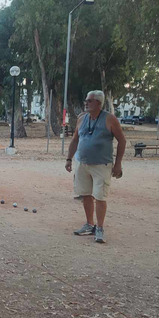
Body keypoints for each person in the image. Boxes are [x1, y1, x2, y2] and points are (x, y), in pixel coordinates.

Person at [65, 90, 126, 244]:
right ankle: (89, 224)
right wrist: (69, 159)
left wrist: (118, 164)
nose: (86, 102)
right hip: (82, 163)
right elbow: (74, 140)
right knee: (85, 194)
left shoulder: (110, 119)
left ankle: (99, 227)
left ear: (98, 103)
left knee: (100, 196)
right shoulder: (81, 118)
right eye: (86, 100)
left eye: (89, 100)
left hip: (102, 164)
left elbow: (122, 141)